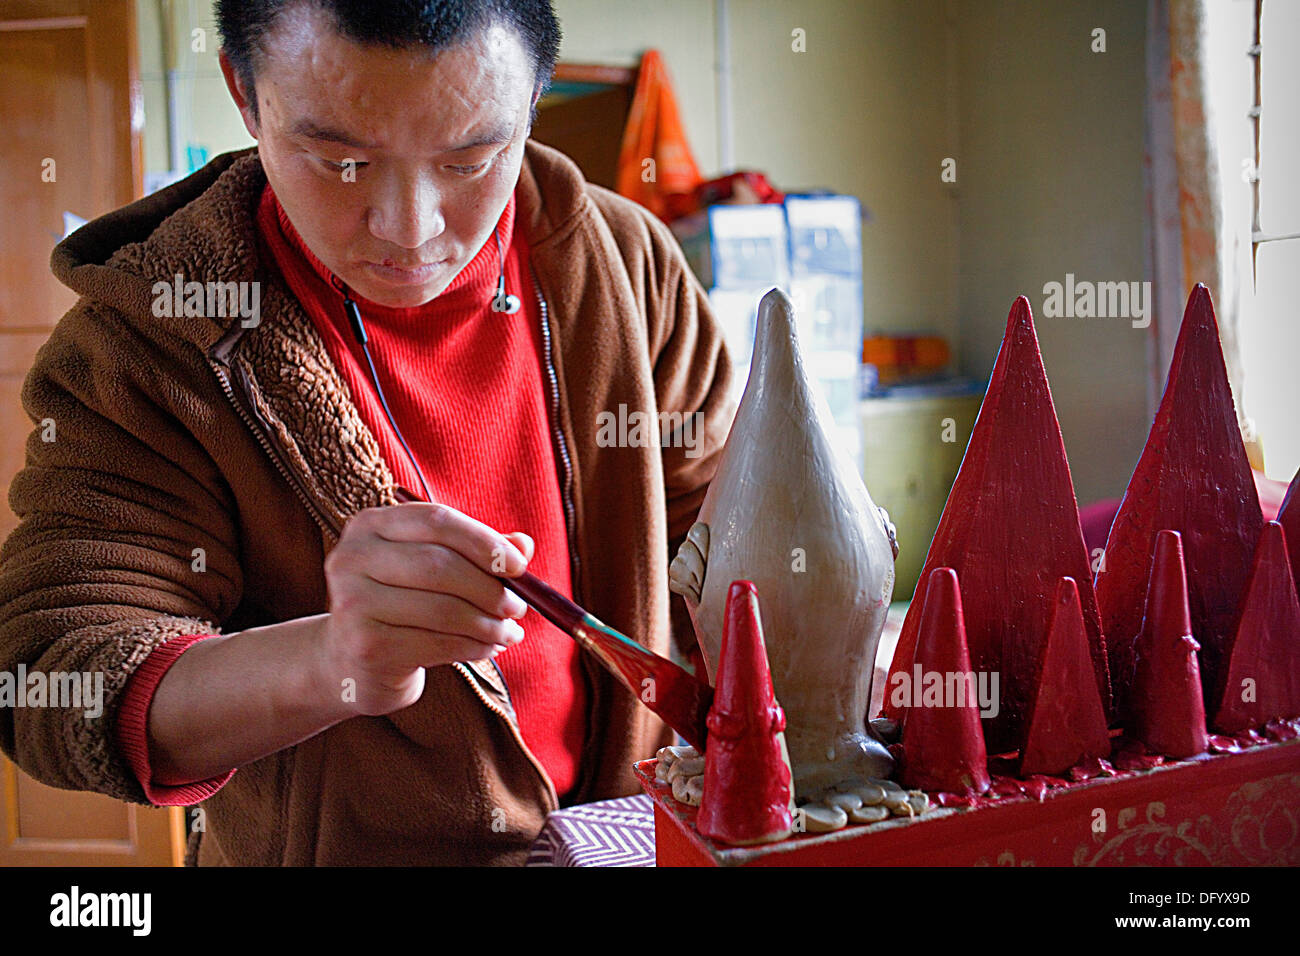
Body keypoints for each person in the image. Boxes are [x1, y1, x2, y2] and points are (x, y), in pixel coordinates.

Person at [0, 0, 733, 865]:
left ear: (533, 100)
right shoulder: (153, 340)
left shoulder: (625, 265)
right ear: (246, 92)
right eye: (341, 160)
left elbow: (722, 539)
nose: (410, 228)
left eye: (473, 158)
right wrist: (331, 660)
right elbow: (53, 679)